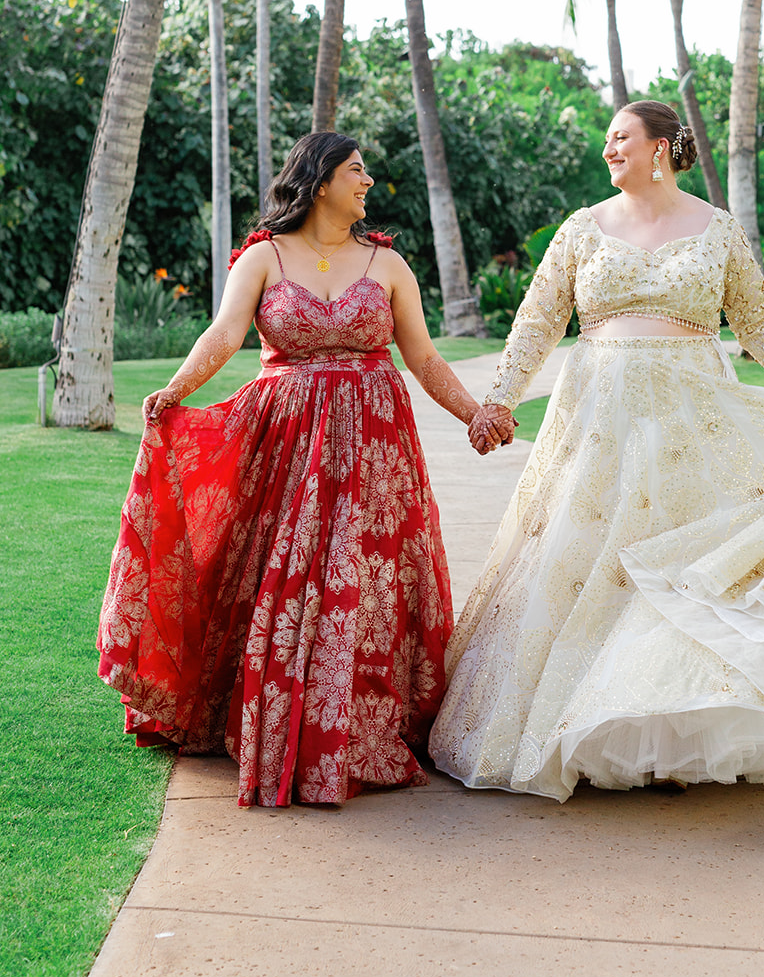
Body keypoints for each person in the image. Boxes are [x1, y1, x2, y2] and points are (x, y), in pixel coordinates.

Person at [430, 101, 764, 802]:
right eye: (606, 140)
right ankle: (579, 726)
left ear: (659, 147)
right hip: (599, 417)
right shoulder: (580, 229)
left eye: (620, 138)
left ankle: (671, 737)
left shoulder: (717, 230)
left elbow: (758, 327)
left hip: (693, 418)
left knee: (678, 570)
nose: (608, 150)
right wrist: (500, 399)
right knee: (583, 564)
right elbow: (537, 322)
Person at [98, 131, 513, 808]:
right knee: (281, 579)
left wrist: (474, 413)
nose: (368, 182)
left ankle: (360, 726)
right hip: (284, 445)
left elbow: (426, 360)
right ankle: (267, 716)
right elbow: (225, 333)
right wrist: (177, 389)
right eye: (356, 171)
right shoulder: (263, 255)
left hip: (374, 448)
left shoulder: (387, 266)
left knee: (364, 579)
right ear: (320, 182)